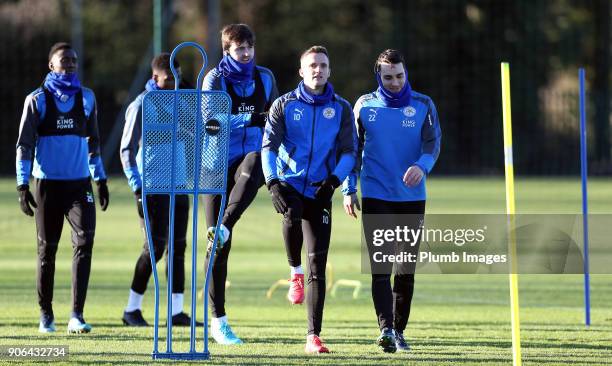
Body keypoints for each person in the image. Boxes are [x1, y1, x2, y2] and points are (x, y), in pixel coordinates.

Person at [342, 49, 441, 352]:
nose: (395, 82)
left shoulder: (423, 104)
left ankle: (399, 330)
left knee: (406, 270)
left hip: (412, 197)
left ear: (406, 73)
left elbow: (433, 142)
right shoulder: (364, 106)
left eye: (400, 75)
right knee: (381, 267)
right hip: (376, 193)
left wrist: (421, 166)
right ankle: (385, 329)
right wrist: (349, 187)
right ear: (379, 77)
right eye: (388, 77)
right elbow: (352, 150)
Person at [262, 45, 357, 353]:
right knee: (291, 215)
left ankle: (312, 337)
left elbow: (349, 152)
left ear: (330, 70)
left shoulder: (341, 108)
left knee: (319, 263)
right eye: (312, 65)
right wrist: (272, 182)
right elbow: (268, 147)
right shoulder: (284, 104)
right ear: (301, 72)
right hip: (289, 183)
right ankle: (294, 273)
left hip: (321, 188)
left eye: (323, 65)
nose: (318, 69)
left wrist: (334, 181)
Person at [16, 42, 110, 334]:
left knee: (84, 243)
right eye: (64, 60)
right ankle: (46, 315)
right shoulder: (37, 100)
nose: (70, 65)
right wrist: (22, 185)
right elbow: (24, 145)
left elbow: (94, 142)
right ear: (51, 66)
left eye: (74, 60)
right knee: (47, 251)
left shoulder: (87, 98)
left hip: (79, 185)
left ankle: (77, 316)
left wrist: (101, 179)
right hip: (47, 186)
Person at [202, 23, 278, 345]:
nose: (245, 53)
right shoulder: (213, 79)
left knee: (253, 160)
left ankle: (225, 224)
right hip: (214, 165)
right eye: (238, 48)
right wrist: (249, 118)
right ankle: (218, 322)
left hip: (250, 160)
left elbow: (274, 118)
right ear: (227, 51)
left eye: (249, 47)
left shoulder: (266, 77)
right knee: (219, 248)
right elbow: (211, 121)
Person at [120, 53, 201, 327]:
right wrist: (136, 187)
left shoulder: (181, 101)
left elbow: (199, 129)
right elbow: (127, 149)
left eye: (178, 77)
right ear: (155, 78)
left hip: (179, 185)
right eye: (170, 79)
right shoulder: (142, 104)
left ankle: (176, 312)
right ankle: (132, 309)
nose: (175, 83)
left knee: (178, 247)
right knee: (154, 248)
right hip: (152, 187)